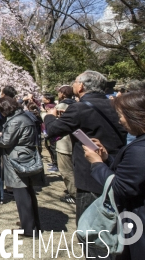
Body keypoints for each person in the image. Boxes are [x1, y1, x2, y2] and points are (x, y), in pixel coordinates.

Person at [45, 70, 127, 224]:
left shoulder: (79, 108)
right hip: (116, 166)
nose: (73, 84)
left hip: (89, 173)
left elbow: (52, 130)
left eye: (75, 82)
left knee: (89, 226)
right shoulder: (116, 104)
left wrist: (50, 115)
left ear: (81, 86)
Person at [84, 91, 145, 260]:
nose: (119, 120)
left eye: (121, 115)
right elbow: (132, 174)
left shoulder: (140, 150)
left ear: (135, 116)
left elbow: (120, 187)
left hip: (137, 221)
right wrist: (106, 159)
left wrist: (96, 164)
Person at [0, 96, 45, 236]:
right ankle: (31, 224)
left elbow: (6, 141)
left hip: (17, 159)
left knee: (21, 194)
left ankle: (28, 228)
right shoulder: (24, 116)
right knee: (28, 192)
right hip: (25, 156)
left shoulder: (15, 121)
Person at [54, 85, 76, 204]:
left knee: (66, 170)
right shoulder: (75, 104)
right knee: (73, 168)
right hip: (73, 142)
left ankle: (74, 194)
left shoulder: (62, 106)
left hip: (64, 143)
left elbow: (55, 125)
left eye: (59, 92)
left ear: (63, 93)